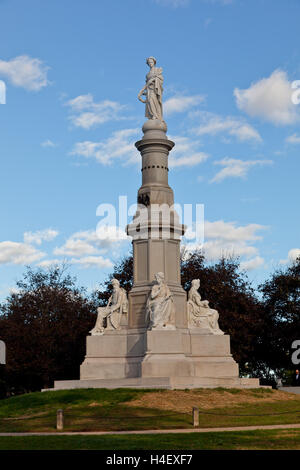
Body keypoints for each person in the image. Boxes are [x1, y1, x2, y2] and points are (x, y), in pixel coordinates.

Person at [138, 56, 164, 121]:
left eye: (151, 62)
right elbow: (146, 85)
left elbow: (160, 79)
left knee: (152, 101)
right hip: (149, 90)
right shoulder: (147, 75)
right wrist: (144, 92)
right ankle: (152, 115)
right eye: (149, 62)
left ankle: (155, 115)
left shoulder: (157, 70)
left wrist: (153, 80)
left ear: (154, 62)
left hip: (155, 90)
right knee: (149, 102)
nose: (150, 63)